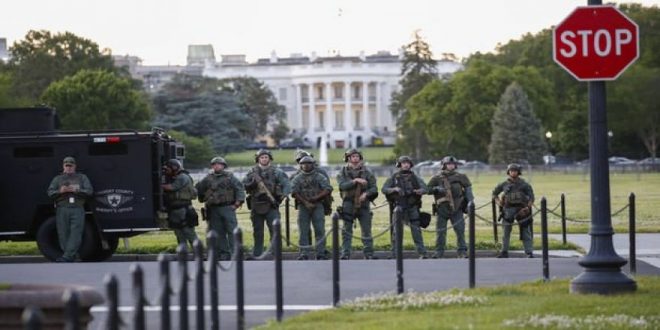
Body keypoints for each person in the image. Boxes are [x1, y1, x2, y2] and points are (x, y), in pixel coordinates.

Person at [242, 149, 291, 258]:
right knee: (258, 231)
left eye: (266, 157)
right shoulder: (252, 172)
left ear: (269, 159)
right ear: (258, 159)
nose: (264, 159)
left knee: (275, 230)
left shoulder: (277, 172)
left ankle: (276, 253)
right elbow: (243, 184)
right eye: (261, 157)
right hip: (256, 204)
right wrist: (252, 184)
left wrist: (282, 197)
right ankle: (257, 253)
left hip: (271, 205)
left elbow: (287, 185)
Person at [195, 157, 245, 260]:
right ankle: (223, 253)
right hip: (213, 209)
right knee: (218, 232)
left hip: (227, 207)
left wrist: (237, 203)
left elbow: (239, 189)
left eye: (219, 164)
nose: (216, 166)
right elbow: (199, 189)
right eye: (214, 164)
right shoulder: (208, 178)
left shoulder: (230, 177)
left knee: (232, 230)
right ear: (212, 166)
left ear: (223, 166)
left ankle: (235, 253)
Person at [47, 157, 93, 262]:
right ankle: (74, 255)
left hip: (77, 208)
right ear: (63, 166)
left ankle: (67, 256)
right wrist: (60, 191)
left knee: (75, 233)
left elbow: (89, 191)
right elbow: (50, 192)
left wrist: (76, 190)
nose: (68, 168)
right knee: (63, 233)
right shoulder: (57, 179)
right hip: (62, 208)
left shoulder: (82, 177)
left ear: (74, 166)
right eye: (66, 165)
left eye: (71, 166)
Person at [426, 156, 474, 258]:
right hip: (442, 209)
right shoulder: (437, 177)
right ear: (444, 165)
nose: (451, 166)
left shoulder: (461, 177)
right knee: (440, 232)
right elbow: (427, 189)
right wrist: (436, 189)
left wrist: (470, 204)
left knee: (460, 230)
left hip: (457, 208)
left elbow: (468, 191)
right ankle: (439, 252)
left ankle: (462, 251)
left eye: (452, 164)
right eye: (448, 164)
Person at [382, 156, 428, 259]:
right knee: (396, 232)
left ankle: (422, 253)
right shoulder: (394, 177)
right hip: (398, 208)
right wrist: (394, 189)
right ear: (400, 165)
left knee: (416, 231)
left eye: (408, 163)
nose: (406, 165)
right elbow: (384, 189)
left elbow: (425, 188)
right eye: (403, 163)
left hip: (413, 207)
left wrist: (419, 191)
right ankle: (395, 253)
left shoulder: (415, 177)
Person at [336, 148, 378, 259]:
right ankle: (345, 253)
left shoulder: (367, 172)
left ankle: (368, 253)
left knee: (366, 229)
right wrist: (355, 181)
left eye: (357, 156)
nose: (355, 158)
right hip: (348, 203)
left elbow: (374, 188)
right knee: (346, 230)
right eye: (353, 156)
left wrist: (366, 194)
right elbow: (342, 185)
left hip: (363, 203)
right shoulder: (343, 172)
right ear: (348, 158)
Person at [290, 156, 333, 260]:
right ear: (300, 165)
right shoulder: (298, 178)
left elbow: (328, 188)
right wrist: (305, 202)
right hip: (303, 207)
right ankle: (304, 253)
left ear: (313, 164)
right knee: (303, 230)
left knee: (319, 230)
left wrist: (315, 198)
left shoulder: (319, 176)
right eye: (303, 164)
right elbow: (293, 191)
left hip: (318, 205)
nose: (306, 166)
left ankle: (321, 253)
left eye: (308, 163)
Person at [492, 163, 535, 258]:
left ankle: (529, 252)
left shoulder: (524, 184)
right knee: (506, 232)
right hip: (508, 210)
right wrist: (499, 203)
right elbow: (494, 194)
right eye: (511, 171)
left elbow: (532, 197)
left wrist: (528, 207)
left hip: (522, 210)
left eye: (515, 171)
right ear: (508, 172)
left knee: (526, 231)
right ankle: (504, 252)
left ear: (518, 172)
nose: (513, 172)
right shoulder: (504, 184)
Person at [162, 159, 199, 250]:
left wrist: (158, 185)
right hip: (175, 210)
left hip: (184, 209)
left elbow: (172, 187)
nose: (167, 171)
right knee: (179, 233)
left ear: (174, 168)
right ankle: (184, 253)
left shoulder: (183, 177)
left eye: (168, 169)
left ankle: (199, 252)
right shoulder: (174, 177)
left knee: (188, 232)